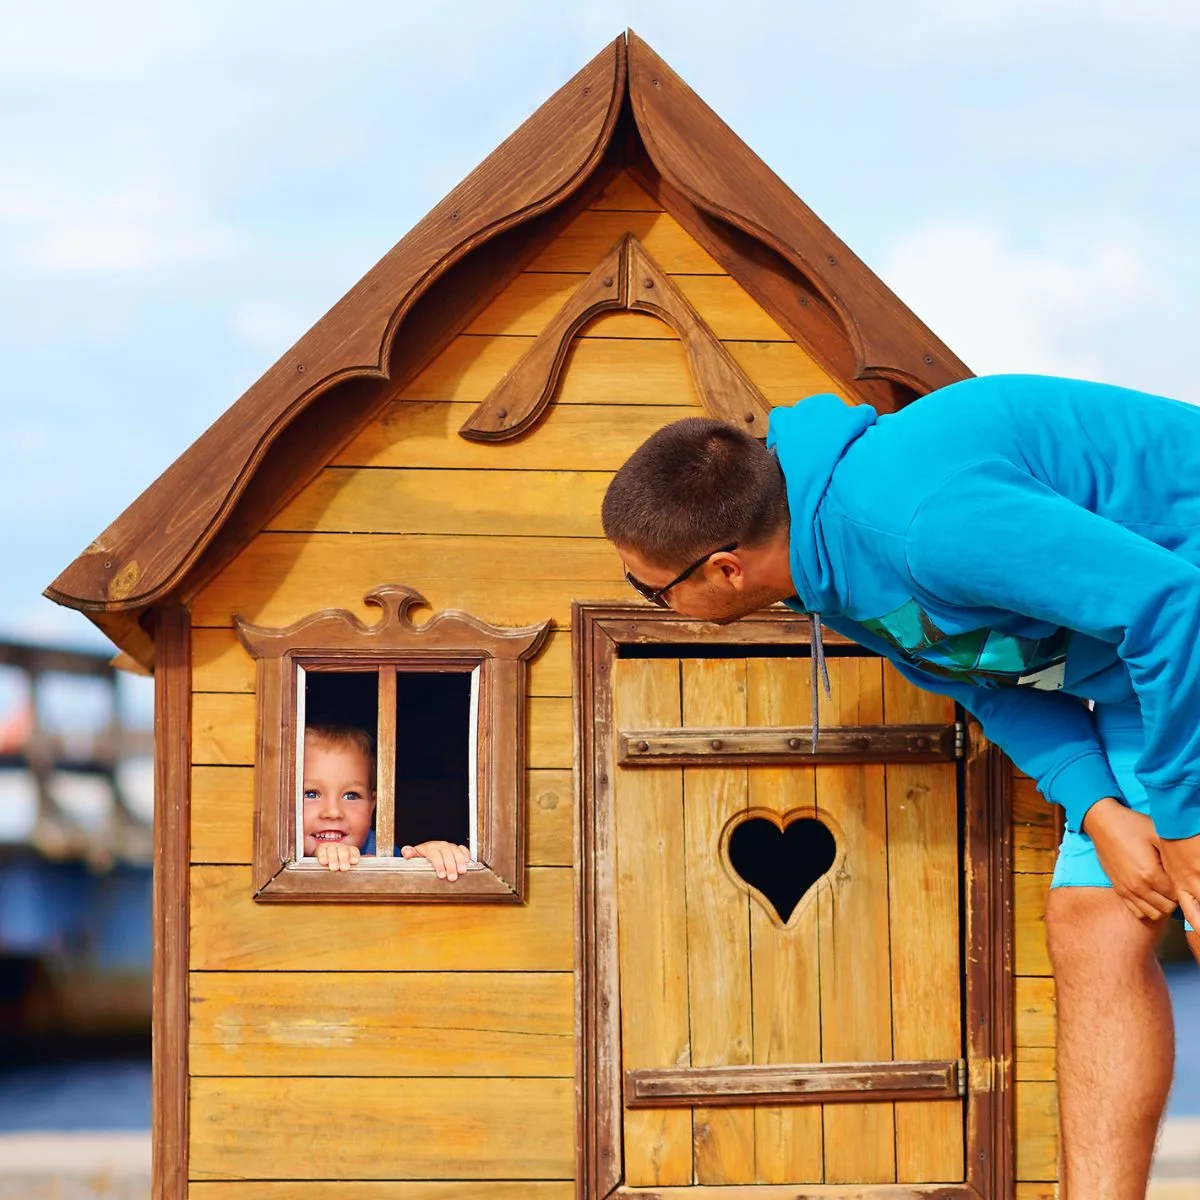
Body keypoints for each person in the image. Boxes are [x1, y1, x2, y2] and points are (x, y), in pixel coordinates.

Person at [601, 373, 1200, 1200]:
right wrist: (1097, 806)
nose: (647, 601)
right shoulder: (828, 567)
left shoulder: (920, 525)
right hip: (1149, 666)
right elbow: (988, 677)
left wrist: (1183, 816)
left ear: (728, 570)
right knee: (1093, 917)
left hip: (1182, 620)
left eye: (649, 588)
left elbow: (1171, 606)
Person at [302, 723, 471, 879]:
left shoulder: (382, 849)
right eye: (310, 794)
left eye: (351, 796)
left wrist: (428, 860)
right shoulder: (276, 862)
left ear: (372, 804)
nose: (333, 812)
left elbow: (407, 886)